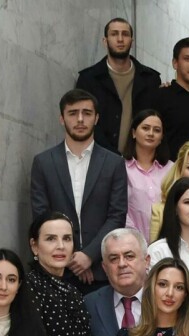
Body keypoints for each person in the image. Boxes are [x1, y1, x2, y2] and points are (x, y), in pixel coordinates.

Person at [30, 89, 128, 290]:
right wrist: (72, 257)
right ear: (62, 118)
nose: (80, 119)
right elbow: (41, 216)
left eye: (87, 113)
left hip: (100, 272)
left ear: (96, 118)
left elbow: (117, 216)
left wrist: (89, 255)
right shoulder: (43, 162)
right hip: (57, 270)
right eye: (73, 113)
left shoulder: (114, 163)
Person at [76, 18, 162, 155]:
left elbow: (156, 119)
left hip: (139, 159)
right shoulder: (89, 79)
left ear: (132, 42)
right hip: (98, 157)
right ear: (105, 41)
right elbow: (84, 121)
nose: (120, 39)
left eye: (125, 34)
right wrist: (111, 156)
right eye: (114, 34)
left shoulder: (150, 78)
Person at [123, 110, 174, 235]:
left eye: (157, 130)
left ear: (161, 137)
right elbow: (118, 209)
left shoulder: (171, 168)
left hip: (166, 239)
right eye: (145, 128)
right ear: (133, 133)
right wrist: (135, 238)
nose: (151, 133)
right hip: (130, 239)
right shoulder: (120, 167)